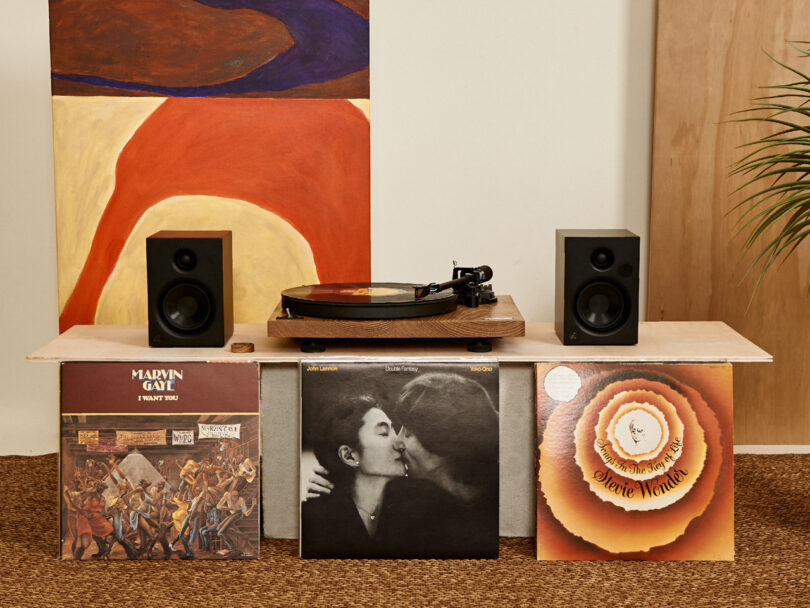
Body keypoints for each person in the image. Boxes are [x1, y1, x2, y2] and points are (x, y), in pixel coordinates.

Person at [305, 373, 499, 558]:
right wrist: (334, 481)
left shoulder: (496, 502)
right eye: (385, 432)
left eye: (409, 433)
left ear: (444, 442)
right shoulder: (407, 497)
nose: (398, 442)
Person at [300, 395, 407, 558]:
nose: (400, 443)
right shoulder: (312, 522)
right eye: (384, 433)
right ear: (350, 456)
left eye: (394, 430)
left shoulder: (415, 508)